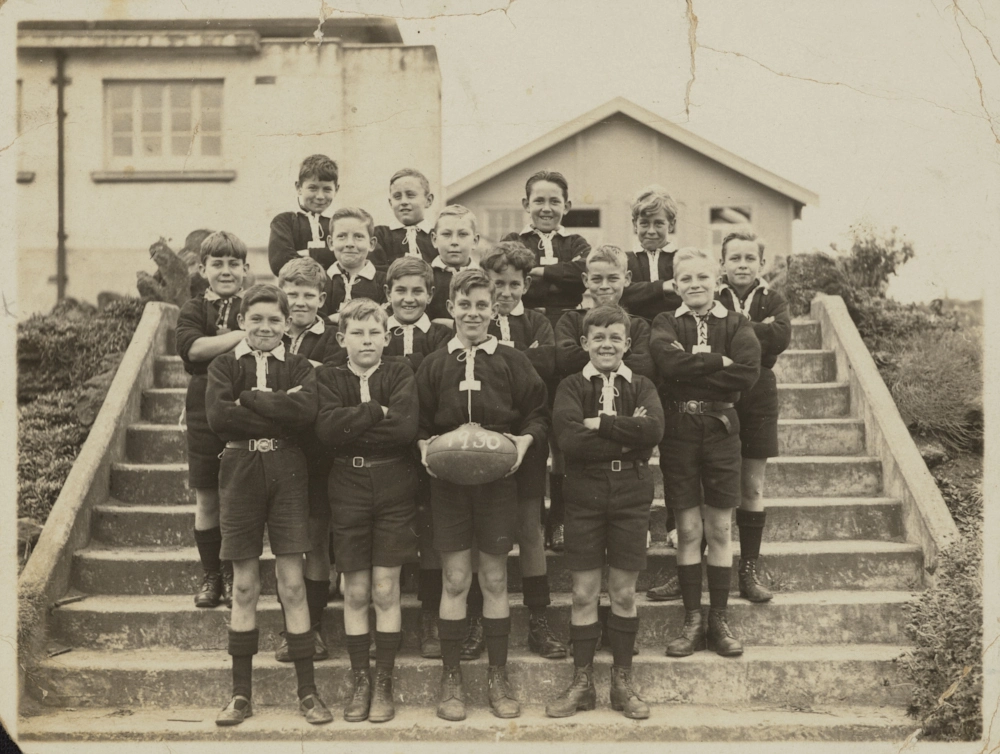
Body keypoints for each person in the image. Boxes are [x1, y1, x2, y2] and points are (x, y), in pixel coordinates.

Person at [416, 268, 548, 721]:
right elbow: (417, 422)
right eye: (465, 305)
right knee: (455, 579)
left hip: (497, 481)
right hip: (449, 483)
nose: (473, 313)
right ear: (450, 308)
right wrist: (426, 448)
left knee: (493, 579)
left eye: (482, 306)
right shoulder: (434, 363)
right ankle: (451, 677)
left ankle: (498, 674)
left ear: (496, 310)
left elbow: (537, 414)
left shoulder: (512, 360)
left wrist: (523, 445)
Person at [206, 283, 332, 726]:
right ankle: (240, 695)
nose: (265, 327)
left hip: (287, 467)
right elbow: (221, 418)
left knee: (292, 582)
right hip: (240, 467)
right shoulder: (224, 365)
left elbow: (306, 414)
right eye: (256, 319)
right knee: (243, 585)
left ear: (286, 324)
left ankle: (309, 692)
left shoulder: (298, 365)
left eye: (274, 320)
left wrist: (254, 403)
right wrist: (281, 408)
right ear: (241, 321)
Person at [546, 304, 664, 719]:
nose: (607, 344)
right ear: (585, 343)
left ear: (627, 344)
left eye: (615, 337)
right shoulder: (570, 386)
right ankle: (581, 683)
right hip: (584, 491)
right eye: (599, 337)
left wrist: (600, 424)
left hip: (632, 491)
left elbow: (654, 431)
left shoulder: (644, 384)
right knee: (582, 592)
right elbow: (570, 439)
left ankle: (622, 682)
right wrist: (625, 431)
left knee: (625, 592)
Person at [650, 247, 761, 659]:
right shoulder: (665, 321)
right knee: (688, 531)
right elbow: (667, 364)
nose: (695, 285)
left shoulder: (737, 322)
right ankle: (692, 619)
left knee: (717, 529)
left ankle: (719, 618)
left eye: (703, 277)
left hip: (720, 429)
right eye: (686, 279)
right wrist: (717, 361)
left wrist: (692, 365)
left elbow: (747, 372)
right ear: (676, 284)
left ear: (717, 281)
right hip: (678, 430)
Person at [315, 298, 420, 723]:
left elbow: (404, 429)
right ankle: (361, 680)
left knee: (385, 589)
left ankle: (385, 683)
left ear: (387, 336)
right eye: (357, 333)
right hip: (347, 484)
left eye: (374, 332)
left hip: (394, 482)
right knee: (355, 591)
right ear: (341, 339)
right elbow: (326, 431)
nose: (366, 340)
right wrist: (375, 411)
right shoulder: (329, 376)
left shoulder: (399, 372)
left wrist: (353, 424)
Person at [480, 241, 566, 659]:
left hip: (528, 434)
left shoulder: (537, 322)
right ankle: (482, 621)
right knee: (486, 533)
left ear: (526, 285)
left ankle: (538, 619)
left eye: (515, 284)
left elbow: (545, 365)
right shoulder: (478, 321)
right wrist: (521, 361)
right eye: (498, 283)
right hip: (484, 437)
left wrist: (514, 363)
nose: (506, 292)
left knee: (530, 530)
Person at [550, 244, 656, 551]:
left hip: (626, 401)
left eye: (613, 278)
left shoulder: (636, 324)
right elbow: (564, 358)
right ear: (585, 280)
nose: (605, 286)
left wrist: (601, 424)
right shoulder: (571, 320)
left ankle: (641, 522)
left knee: (635, 454)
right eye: (597, 279)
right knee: (566, 458)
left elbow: (645, 365)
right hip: (583, 397)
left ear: (627, 279)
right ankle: (560, 520)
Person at [380, 256, 452, 657]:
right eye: (401, 291)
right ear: (387, 294)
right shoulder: (378, 333)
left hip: (427, 438)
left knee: (430, 529)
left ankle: (429, 616)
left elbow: (437, 380)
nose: (409, 299)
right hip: (387, 445)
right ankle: (383, 620)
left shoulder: (440, 337)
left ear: (430, 295)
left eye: (417, 291)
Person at [716, 231, 791, 602]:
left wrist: (734, 328)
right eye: (735, 258)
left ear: (761, 264)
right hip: (720, 388)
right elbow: (714, 342)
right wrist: (756, 330)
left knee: (753, 485)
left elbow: (780, 338)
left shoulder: (773, 298)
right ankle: (703, 566)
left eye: (750, 258)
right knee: (710, 484)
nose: (742, 264)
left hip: (760, 391)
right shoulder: (712, 296)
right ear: (722, 263)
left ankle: (748, 568)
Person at [175, 231, 248, 610]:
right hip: (203, 407)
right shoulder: (193, 309)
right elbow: (193, 348)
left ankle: (236, 573)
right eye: (217, 264)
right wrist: (240, 334)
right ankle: (211, 575)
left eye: (233, 263)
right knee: (207, 496)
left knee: (237, 495)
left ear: (245, 269)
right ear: (203, 269)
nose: (225, 270)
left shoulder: (253, 304)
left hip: (244, 408)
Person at [272, 258, 338, 663]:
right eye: (291, 293)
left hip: (316, 452)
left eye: (308, 295)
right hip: (277, 452)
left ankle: (312, 626)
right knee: (286, 546)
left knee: (315, 541)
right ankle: (289, 627)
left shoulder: (331, 337)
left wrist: (295, 376)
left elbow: (331, 381)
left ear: (322, 299)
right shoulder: (267, 333)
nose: (299, 301)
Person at [501, 170, 591, 327]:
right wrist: (564, 281)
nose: (547, 208)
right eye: (539, 201)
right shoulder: (514, 241)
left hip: (568, 322)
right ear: (527, 205)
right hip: (523, 322)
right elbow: (508, 278)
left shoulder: (576, 242)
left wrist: (541, 272)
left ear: (566, 207)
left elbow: (585, 271)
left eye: (555, 202)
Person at [268, 154, 340, 275]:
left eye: (327, 189)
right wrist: (328, 255)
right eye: (313, 188)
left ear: (336, 189)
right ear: (299, 187)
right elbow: (280, 262)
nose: (320, 196)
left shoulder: (338, 224)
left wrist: (308, 254)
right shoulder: (285, 221)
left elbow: (348, 256)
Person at [622, 186, 683, 321]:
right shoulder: (624, 259)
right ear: (635, 224)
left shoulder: (683, 260)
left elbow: (683, 296)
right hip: (634, 330)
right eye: (644, 223)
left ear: (671, 225)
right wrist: (663, 287)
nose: (651, 231)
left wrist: (641, 293)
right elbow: (622, 293)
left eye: (659, 224)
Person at [323, 207, 386, 320]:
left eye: (358, 236)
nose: (350, 243)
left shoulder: (383, 282)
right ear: (331, 243)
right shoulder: (321, 281)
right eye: (341, 236)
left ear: (371, 244)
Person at [425, 204, 481, 320]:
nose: (454, 242)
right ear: (434, 240)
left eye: (463, 234)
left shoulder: (483, 278)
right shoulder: (424, 276)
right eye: (446, 234)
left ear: (475, 241)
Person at [373, 168, 438, 266]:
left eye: (410, 195)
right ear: (391, 203)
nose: (403, 202)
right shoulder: (380, 235)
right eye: (397, 197)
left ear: (428, 200)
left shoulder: (438, 236)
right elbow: (378, 271)